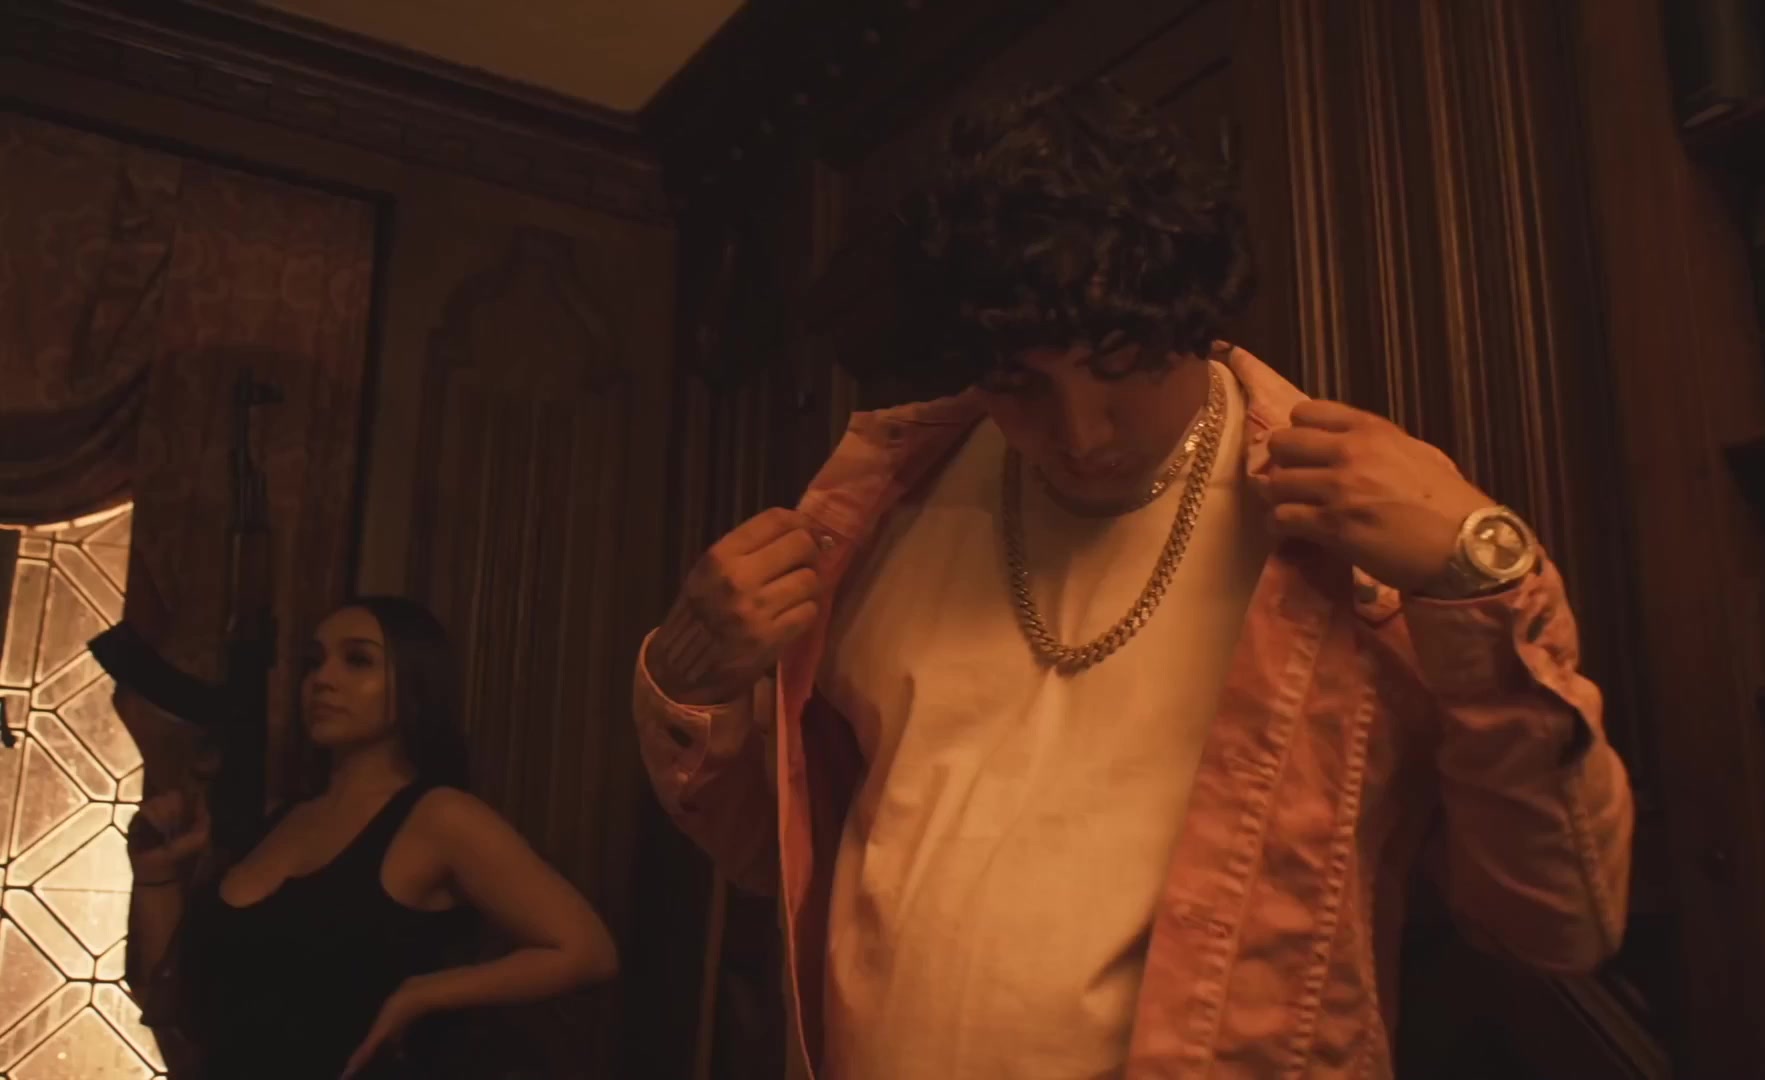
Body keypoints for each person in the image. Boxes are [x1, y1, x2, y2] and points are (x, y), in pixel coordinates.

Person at [634, 81, 1632, 1078]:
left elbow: (1557, 924)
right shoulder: (879, 509)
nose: (1081, 435)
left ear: (1193, 321)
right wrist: (695, 683)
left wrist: (1477, 570)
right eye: (1022, 384)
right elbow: (778, 861)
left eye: (1122, 368)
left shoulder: (1356, 533)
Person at [128, 596, 619, 1079]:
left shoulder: (439, 818)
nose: (323, 679)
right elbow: (177, 1005)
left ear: (415, 684)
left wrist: (425, 994)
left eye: (358, 660)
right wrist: (156, 877)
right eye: (314, 662)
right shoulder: (279, 818)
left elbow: (585, 950)